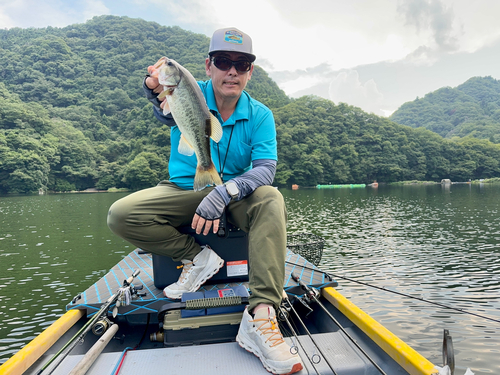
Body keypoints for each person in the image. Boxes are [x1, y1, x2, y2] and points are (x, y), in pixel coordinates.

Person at [107, 27, 303, 375]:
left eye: (241, 64)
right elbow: (164, 110)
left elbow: (265, 171)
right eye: (224, 62)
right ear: (208, 66)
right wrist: (153, 89)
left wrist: (224, 192)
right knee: (121, 214)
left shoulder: (260, 115)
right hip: (183, 189)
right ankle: (197, 257)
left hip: (236, 195)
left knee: (270, 198)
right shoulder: (188, 92)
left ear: (250, 72)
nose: (232, 71)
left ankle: (262, 317)